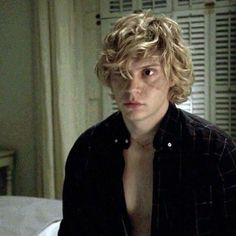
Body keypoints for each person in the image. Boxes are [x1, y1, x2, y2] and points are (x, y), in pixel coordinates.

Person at [58, 10, 236, 236]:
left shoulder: (216, 152)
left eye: (148, 72)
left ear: (172, 75)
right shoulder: (88, 149)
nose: (132, 88)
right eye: (121, 73)